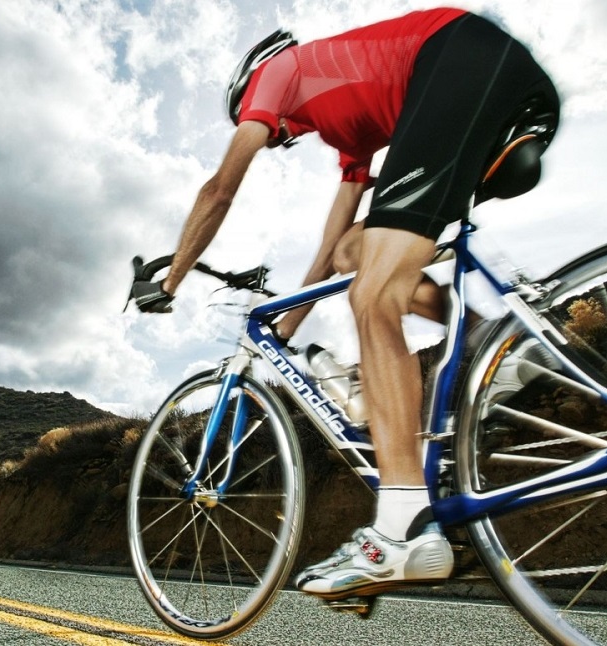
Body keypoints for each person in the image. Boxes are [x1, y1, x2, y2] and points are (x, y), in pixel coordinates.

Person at [138, 8, 560, 599]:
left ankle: (403, 529)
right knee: (353, 256)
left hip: (455, 59)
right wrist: (285, 328)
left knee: (373, 295)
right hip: (503, 83)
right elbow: (327, 254)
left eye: (262, 125)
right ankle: (494, 340)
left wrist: (169, 281)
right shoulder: (349, 136)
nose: (278, 138)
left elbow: (220, 188)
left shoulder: (278, 72)